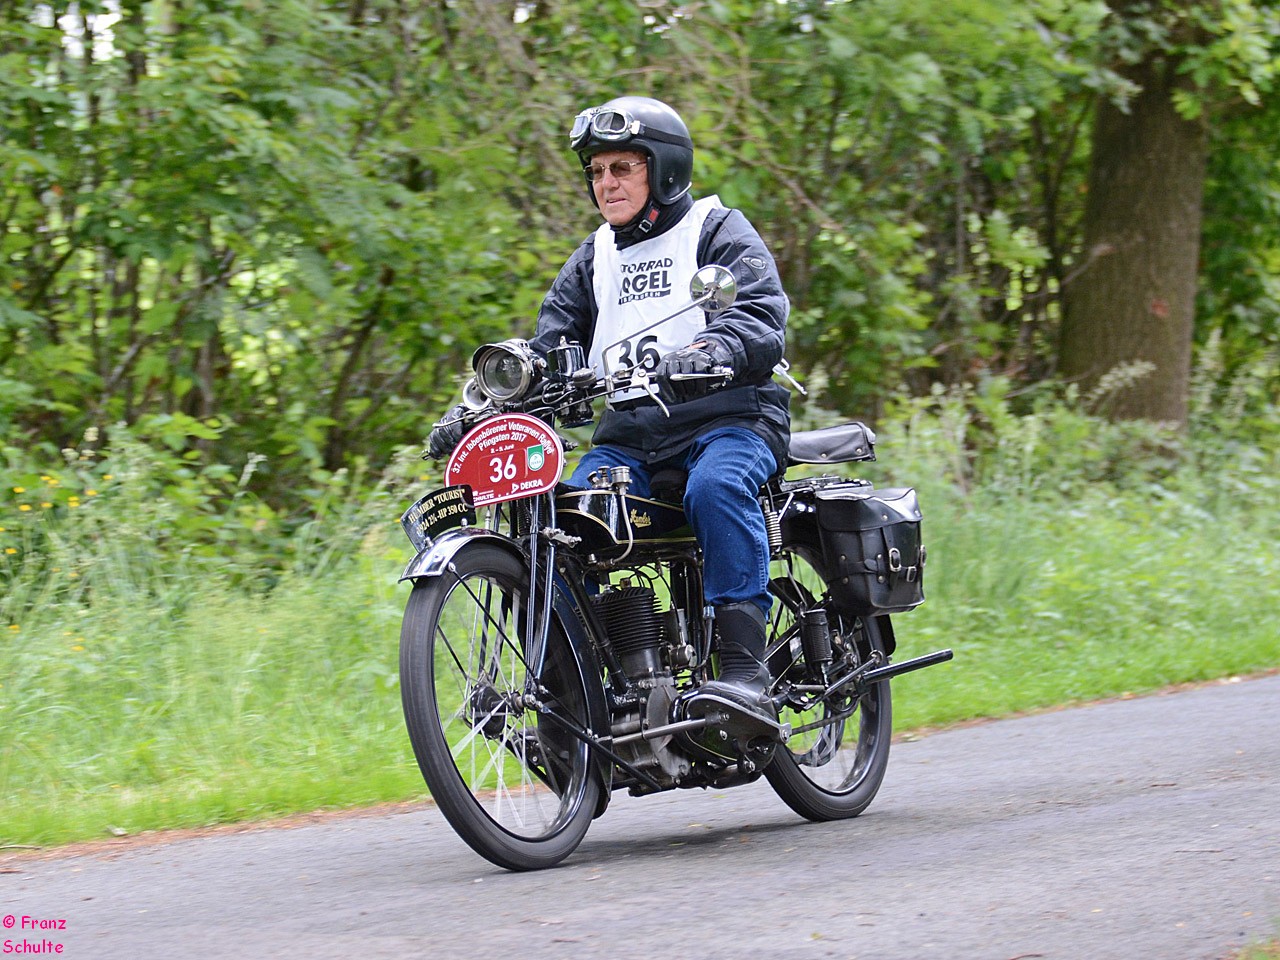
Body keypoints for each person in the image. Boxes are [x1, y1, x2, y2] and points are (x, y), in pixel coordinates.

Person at [431, 96, 790, 724]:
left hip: (731, 420)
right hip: (631, 442)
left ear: (664, 168)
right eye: (597, 171)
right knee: (558, 523)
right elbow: (550, 351)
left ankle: (743, 674)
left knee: (716, 487)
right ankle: (573, 699)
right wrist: (482, 409)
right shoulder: (593, 258)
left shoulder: (714, 228)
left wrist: (712, 349)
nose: (607, 183)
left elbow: (758, 315)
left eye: (623, 168)